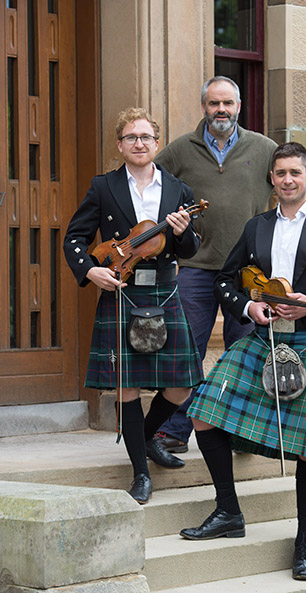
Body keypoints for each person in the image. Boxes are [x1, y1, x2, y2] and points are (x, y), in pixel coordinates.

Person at [180, 142, 306, 581]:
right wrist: (249, 308)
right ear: (272, 178)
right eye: (280, 173)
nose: (287, 180)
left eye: (295, 173)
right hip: (262, 338)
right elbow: (226, 281)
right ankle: (228, 510)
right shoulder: (257, 226)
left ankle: (304, 541)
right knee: (203, 412)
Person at [63, 107, 203, 505]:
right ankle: (141, 473)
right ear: (120, 145)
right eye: (131, 138)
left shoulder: (178, 190)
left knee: (181, 383)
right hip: (121, 290)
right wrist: (91, 272)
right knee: (127, 385)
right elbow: (75, 239)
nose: (139, 144)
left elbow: (192, 247)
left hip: (164, 291)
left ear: (157, 143)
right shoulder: (103, 187)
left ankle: (143, 440)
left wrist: (184, 231)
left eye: (146, 137)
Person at [154, 76, 278, 452]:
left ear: (239, 107)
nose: (221, 110)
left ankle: (240, 429)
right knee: (185, 348)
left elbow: (290, 194)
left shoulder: (265, 148)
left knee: (243, 353)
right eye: (213, 103)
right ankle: (173, 430)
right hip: (195, 266)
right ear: (204, 107)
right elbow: (148, 186)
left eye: (228, 103)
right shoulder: (180, 151)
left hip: (248, 272)